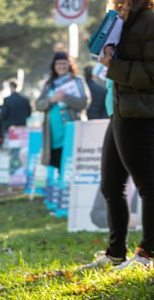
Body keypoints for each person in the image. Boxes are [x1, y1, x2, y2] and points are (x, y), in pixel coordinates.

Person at [85, 0, 154, 270]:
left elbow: (151, 73)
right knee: (111, 186)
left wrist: (113, 65)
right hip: (119, 112)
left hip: (140, 114)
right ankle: (115, 253)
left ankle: (147, 255)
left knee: (148, 186)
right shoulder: (119, 19)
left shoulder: (148, 20)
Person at [35, 51, 89, 170]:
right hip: (53, 133)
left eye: (64, 63)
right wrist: (52, 99)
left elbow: (84, 103)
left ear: (69, 65)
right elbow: (38, 105)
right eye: (58, 63)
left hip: (72, 129)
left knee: (71, 164)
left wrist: (65, 97)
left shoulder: (77, 81)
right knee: (56, 164)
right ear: (54, 66)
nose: (62, 66)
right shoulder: (49, 84)